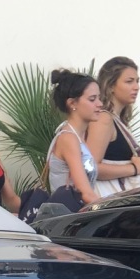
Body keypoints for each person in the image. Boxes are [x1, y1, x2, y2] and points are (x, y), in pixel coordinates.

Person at [87, 56, 140, 198]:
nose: (136, 87)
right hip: (109, 202)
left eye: (137, 81)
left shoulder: (115, 119)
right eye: (129, 81)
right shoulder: (104, 119)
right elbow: (91, 168)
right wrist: (135, 168)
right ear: (110, 86)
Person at [45, 69, 101, 210]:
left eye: (99, 98)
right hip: (68, 219)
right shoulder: (68, 138)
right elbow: (85, 193)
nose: (100, 104)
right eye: (92, 99)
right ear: (72, 103)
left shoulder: (77, 136)